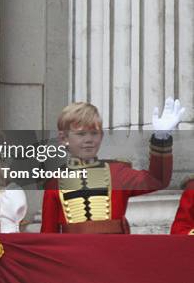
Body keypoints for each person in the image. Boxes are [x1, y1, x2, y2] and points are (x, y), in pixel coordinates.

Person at [41, 98, 184, 233]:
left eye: (94, 133)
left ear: (101, 136)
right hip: (71, 256)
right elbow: (48, 233)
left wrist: (161, 138)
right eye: (81, 134)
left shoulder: (117, 173)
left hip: (114, 254)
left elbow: (157, 180)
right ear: (64, 138)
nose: (89, 140)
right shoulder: (55, 182)